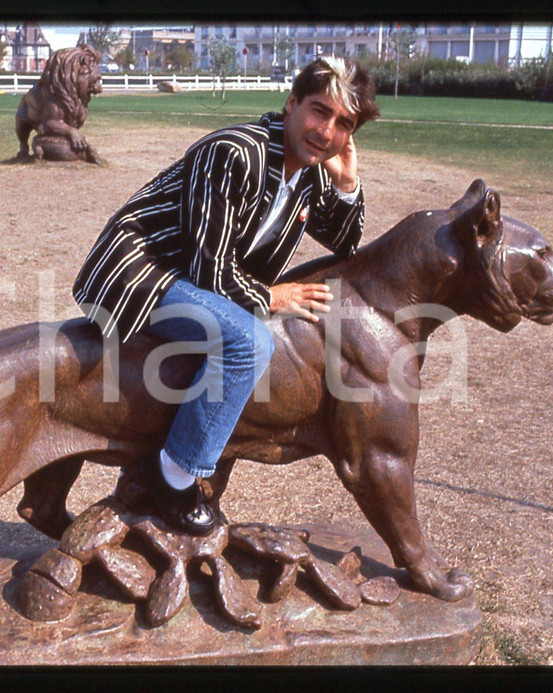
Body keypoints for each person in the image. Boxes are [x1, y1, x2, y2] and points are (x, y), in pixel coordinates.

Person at [72, 57, 380, 535]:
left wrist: (346, 182)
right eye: (320, 111)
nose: (327, 130)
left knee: (248, 333)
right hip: (138, 274)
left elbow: (347, 243)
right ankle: (172, 475)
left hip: (188, 283)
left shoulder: (309, 175)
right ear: (292, 103)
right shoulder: (234, 153)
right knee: (250, 341)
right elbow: (210, 272)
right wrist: (272, 297)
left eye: (344, 124)